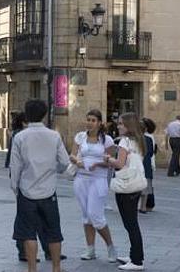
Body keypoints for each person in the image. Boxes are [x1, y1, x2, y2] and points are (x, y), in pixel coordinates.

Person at [10, 100, 69, 272]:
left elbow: (16, 166)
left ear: (27, 115)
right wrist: (53, 170)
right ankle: (56, 268)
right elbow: (65, 162)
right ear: (44, 114)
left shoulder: (20, 137)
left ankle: (32, 269)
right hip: (49, 191)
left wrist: (15, 187)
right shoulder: (54, 136)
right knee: (53, 231)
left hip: (27, 191)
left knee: (28, 232)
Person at [68, 109, 118, 263]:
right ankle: (90, 249)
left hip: (98, 179)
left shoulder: (107, 140)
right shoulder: (80, 137)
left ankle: (110, 246)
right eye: (88, 119)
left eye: (93, 120)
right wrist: (77, 161)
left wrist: (98, 163)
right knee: (86, 215)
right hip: (81, 178)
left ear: (99, 123)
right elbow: (72, 155)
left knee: (95, 215)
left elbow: (112, 161)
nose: (89, 123)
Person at [103, 112, 146, 271]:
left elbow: (120, 163)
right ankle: (134, 255)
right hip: (135, 185)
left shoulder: (124, 142)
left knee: (130, 223)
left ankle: (137, 260)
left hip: (126, 186)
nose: (118, 126)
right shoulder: (140, 141)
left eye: (121, 123)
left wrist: (108, 159)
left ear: (128, 125)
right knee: (132, 222)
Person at [139, 118, 157, 214]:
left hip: (138, 163)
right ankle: (143, 207)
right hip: (146, 163)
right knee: (146, 186)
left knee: (137, 186)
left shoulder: (135, 139)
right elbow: (151, 153)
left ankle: (137, 205)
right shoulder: (149, 139)